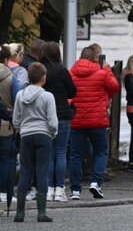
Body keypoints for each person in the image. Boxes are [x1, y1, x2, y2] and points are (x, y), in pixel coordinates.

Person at [69, 45, 119, 200]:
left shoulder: (71, 74)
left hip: (77, 120)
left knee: (76, 155)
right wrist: (108, 70)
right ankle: (95, 182)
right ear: (95, 59)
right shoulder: (102, 73)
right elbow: (115, 86)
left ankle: (75, 190)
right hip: (97, 121)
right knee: (100, 151)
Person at [12, 62, 57, 223]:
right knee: (42, 171)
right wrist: (52, 133)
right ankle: (41, 212)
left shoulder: (20, 95)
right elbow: (52, 121)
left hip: (26, 135)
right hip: (43, 135)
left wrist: (21, 129)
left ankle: (20, 213)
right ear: (44, 78)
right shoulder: (47, 96)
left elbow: (16, 119)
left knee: (25, 172)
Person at [40, 42, 76, 202]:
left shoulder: (41, 70)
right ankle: (59, 189)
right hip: (62, 114)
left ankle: (48, 189)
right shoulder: (62, 70)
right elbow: (73, 91)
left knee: (48, 154)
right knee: (61, 152)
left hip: (44, 116)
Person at [0, 46, 16, 209]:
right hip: (6, 125)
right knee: (6, 159)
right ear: (6, 59)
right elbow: (17, 97)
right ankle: (4, 192)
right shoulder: (11, 77)